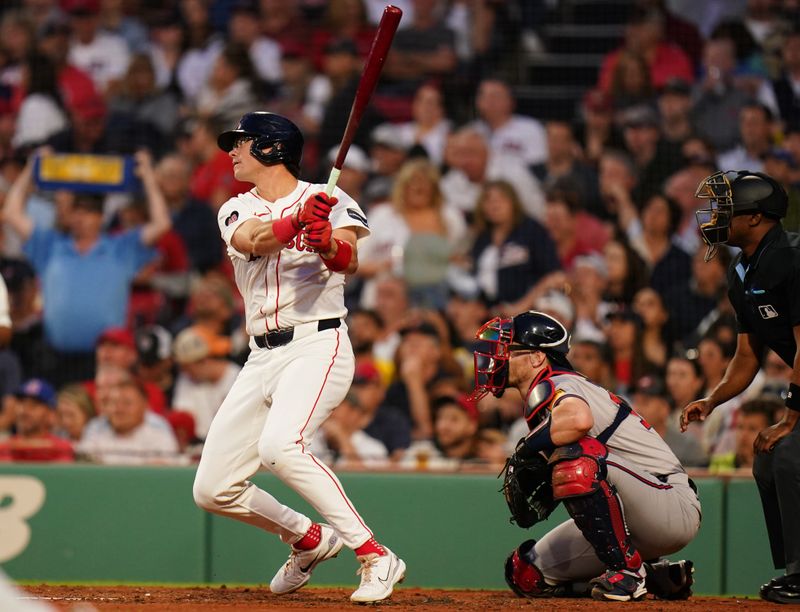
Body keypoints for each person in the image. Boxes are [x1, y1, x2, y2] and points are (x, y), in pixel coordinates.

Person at [191, 111, 405, 604]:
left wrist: (326, 239)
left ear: (271, 149)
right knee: (212, 488)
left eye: (242, 143)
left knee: (280, 447)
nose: (232, 151)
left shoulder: (332, 200)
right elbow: (253, 239)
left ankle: (374, 554)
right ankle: (309, 538)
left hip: (317, 343)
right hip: (260, 356)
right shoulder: (234, 207)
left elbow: (349, 260)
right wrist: (293, 224)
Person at [472, 311, 700, 601]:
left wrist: (528, 447)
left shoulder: (559, 382)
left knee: (577, 461)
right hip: (630, 511)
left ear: (537, 358)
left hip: (669, 503)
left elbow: (579, 419)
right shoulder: (543, 394)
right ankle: (654, 577)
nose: (498, 358)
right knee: (525, 574)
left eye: (508, 350)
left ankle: (628, 574)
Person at [681, 169, 800, 604]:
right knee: (769, 459)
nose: (715, 216)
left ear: (755, 217)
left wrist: (790, 419)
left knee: (788, 454)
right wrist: (712, 400)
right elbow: (748, 356)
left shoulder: (793, 255)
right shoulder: (740, 270)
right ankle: (795, 569)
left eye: (726, 207)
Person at [0, 378, 74, 462]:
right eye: (21, 403)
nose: (24, 411)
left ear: (51, 413)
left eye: (33, 405)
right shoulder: (3, 449)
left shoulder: (60, 449)